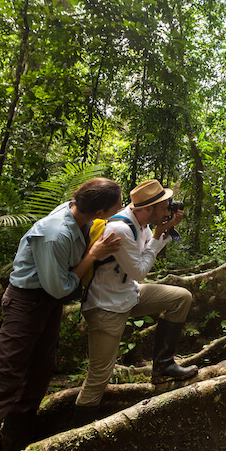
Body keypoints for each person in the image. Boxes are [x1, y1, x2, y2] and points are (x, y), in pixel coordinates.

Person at [0, 178, 124, 451]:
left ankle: (17, 449)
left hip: (47, 305)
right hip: (27, 302)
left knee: (40, 370)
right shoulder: (55, 233)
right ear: (100, 210)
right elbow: (60, 286)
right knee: (5, 373)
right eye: (117, 205)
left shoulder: (80, 218)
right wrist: (93, 255)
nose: (121, 209)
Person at [74, 179, 198, 423]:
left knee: (181, 298)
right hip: (106, 306)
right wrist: (159, 236)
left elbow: (145, 255)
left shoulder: (142, 224)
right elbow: (140, 270)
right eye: (164, 207)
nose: (168, 210)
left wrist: (163, 231)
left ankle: (163, 366)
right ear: (148, 208)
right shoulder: (120, 228)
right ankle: (77, 434)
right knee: (99, 377)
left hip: (128, 294)